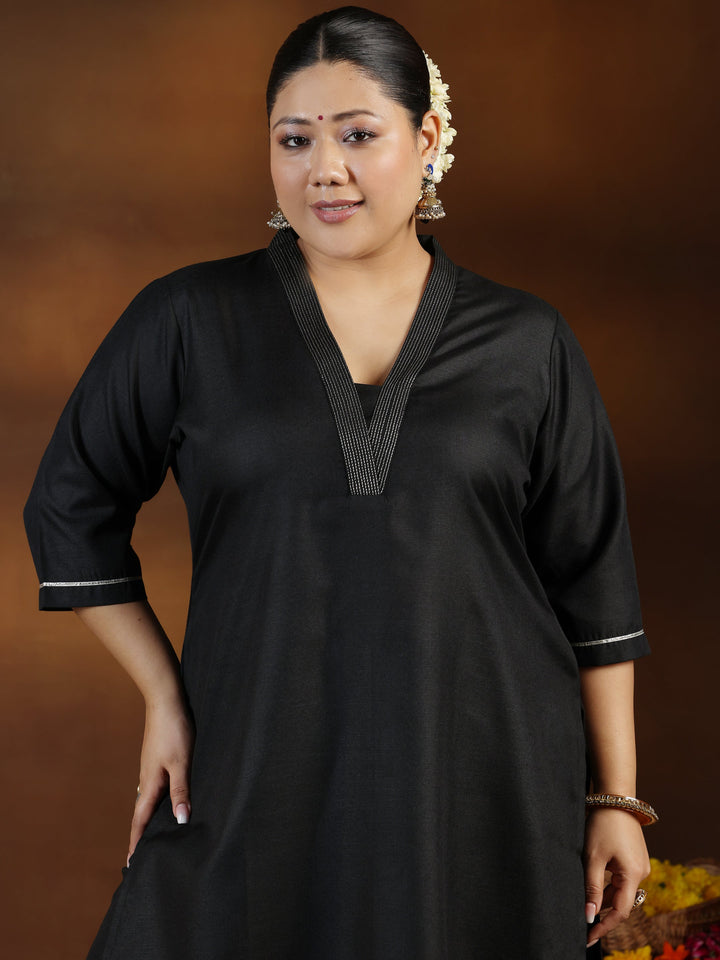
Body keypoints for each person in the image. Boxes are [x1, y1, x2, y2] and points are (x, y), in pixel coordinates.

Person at [24, 7, 655, 959]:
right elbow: (69, 509)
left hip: (486, 779)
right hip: (253, 758)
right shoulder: (189, 320)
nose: (324, 168)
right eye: (295, 140)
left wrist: (616, 799)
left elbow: (593, 578)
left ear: (427, 139)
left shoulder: (528, 342)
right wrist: (165, 693)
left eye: (358, 135)